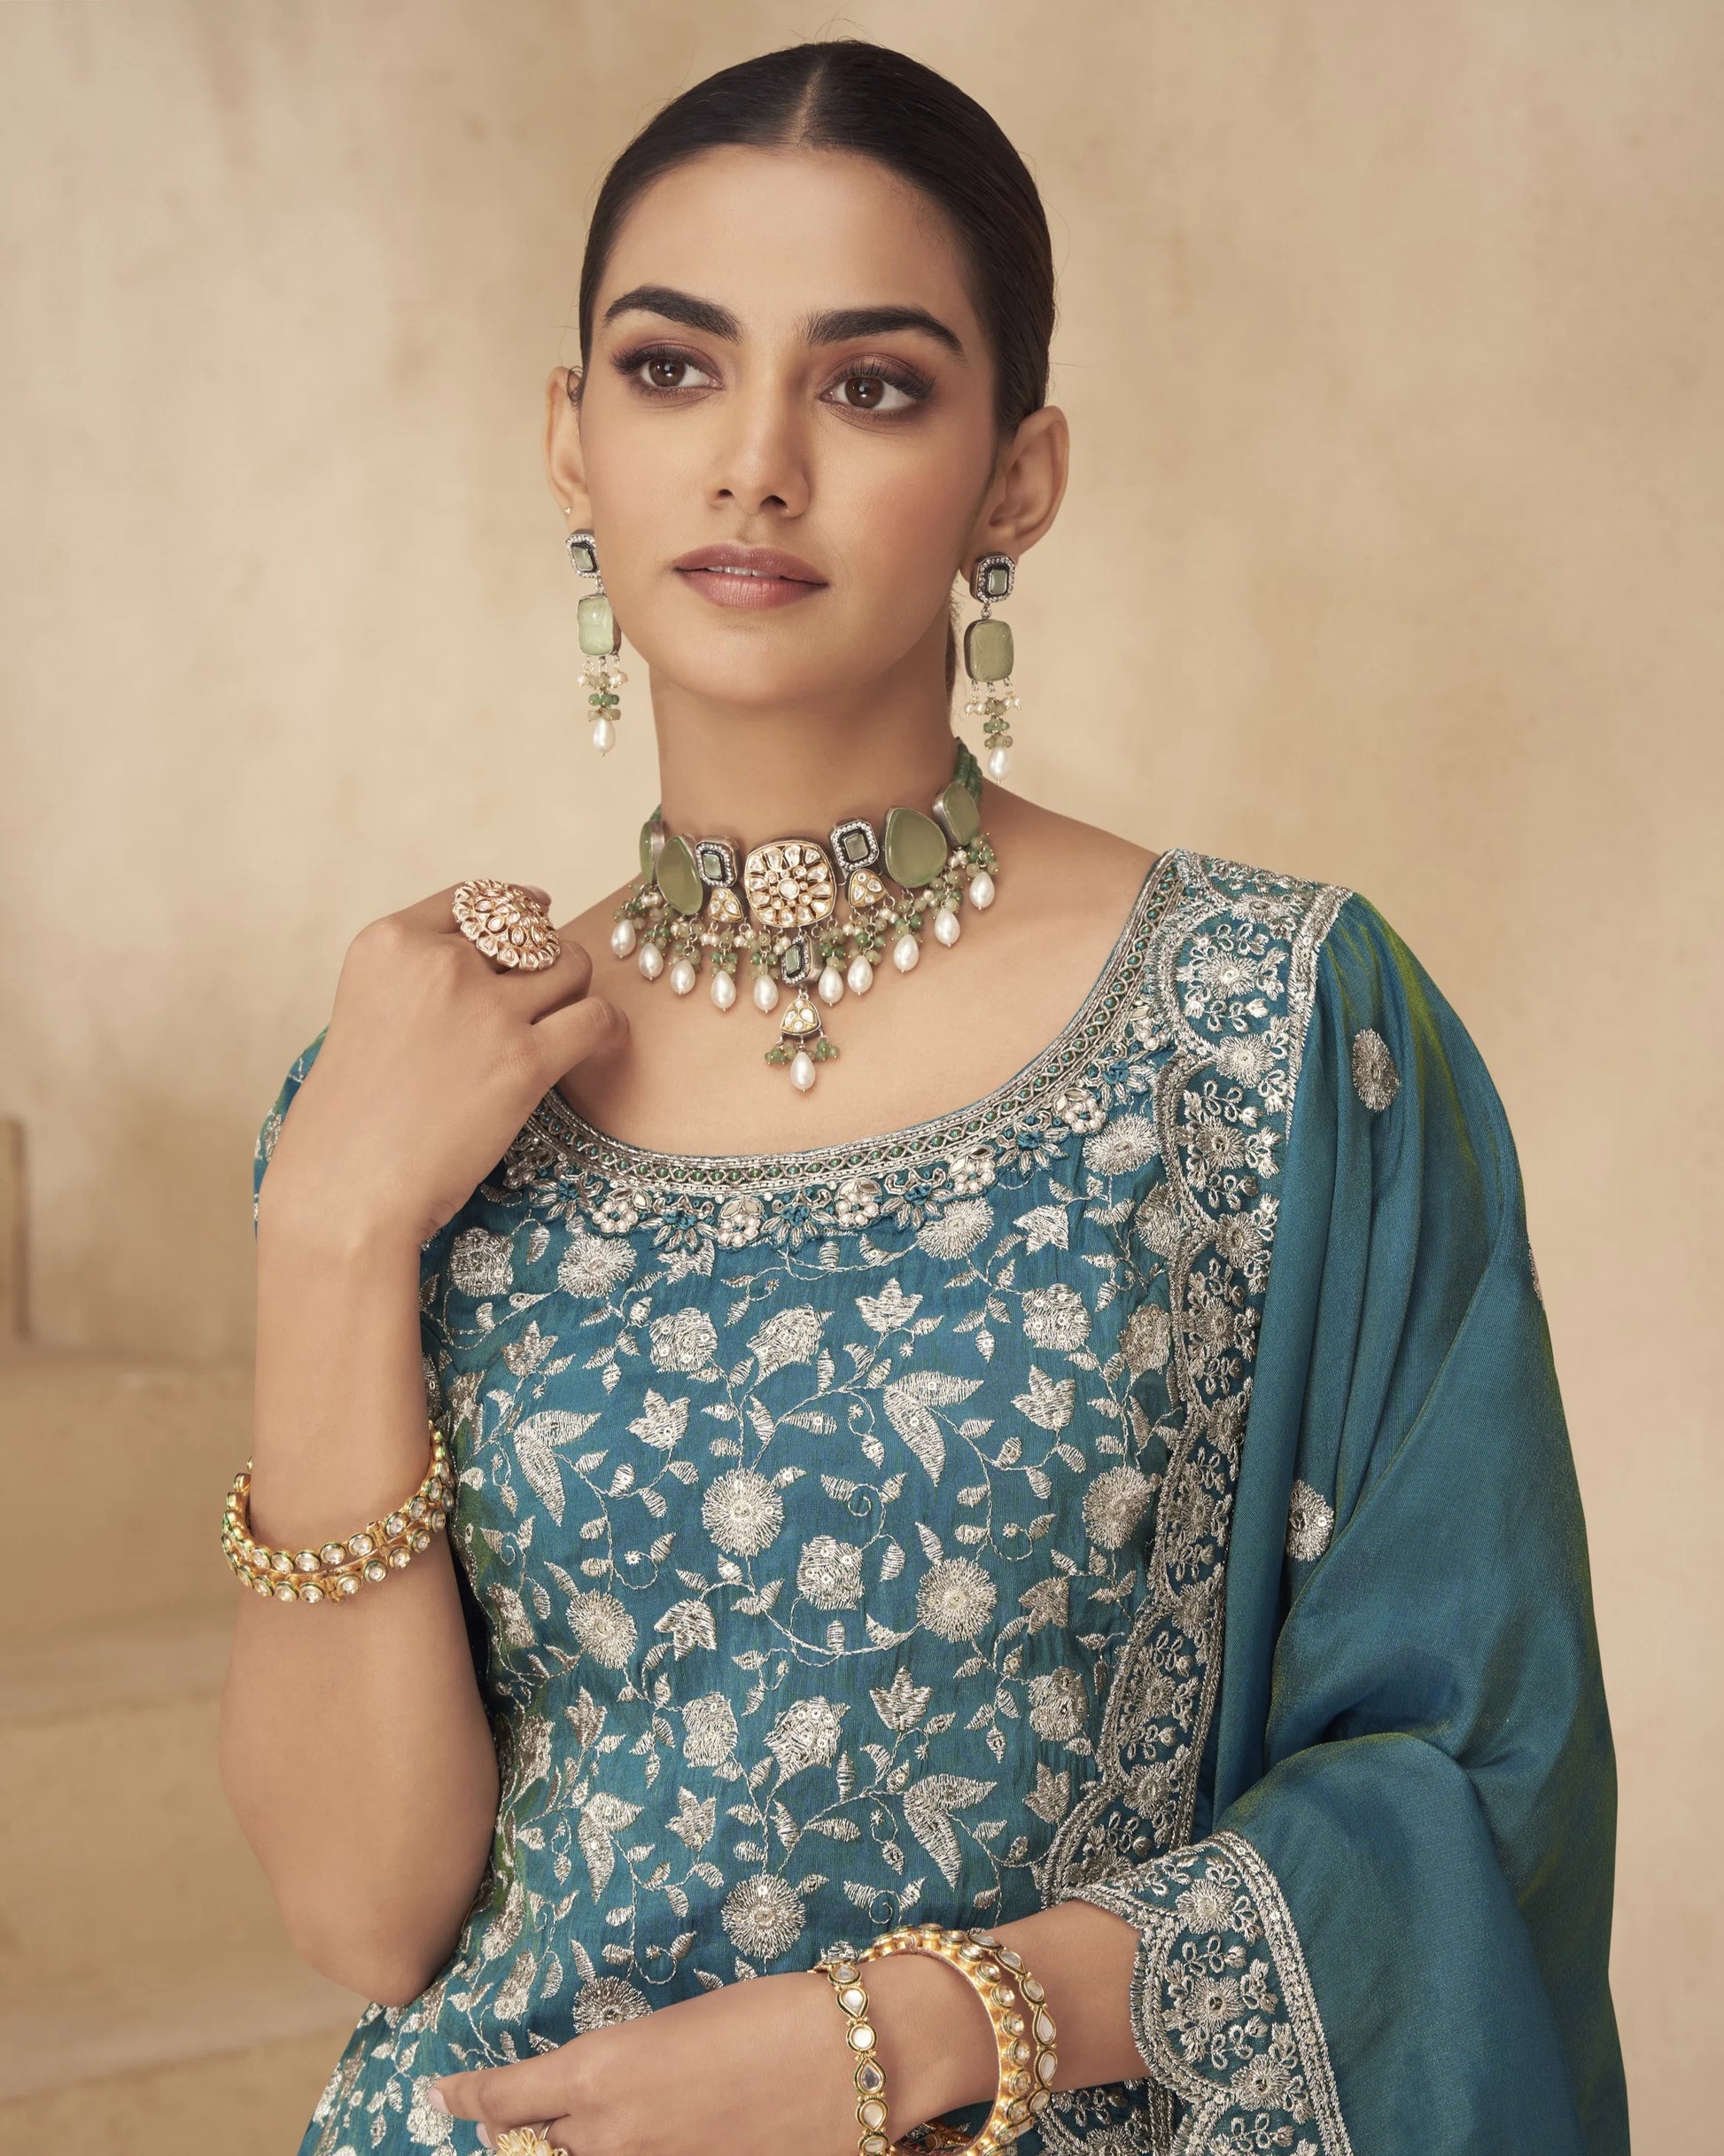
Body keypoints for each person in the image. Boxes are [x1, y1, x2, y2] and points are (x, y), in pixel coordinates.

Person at [217, 39, 1628, 2156]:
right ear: (570, 438)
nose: (753, 464)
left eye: (869, 385)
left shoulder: (1271, 1027)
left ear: (1016, 477)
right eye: (673, 370)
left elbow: (1470, 1773)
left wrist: (910, 2029)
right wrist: (331, 1231)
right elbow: (365, 1907)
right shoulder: (413, 1085)